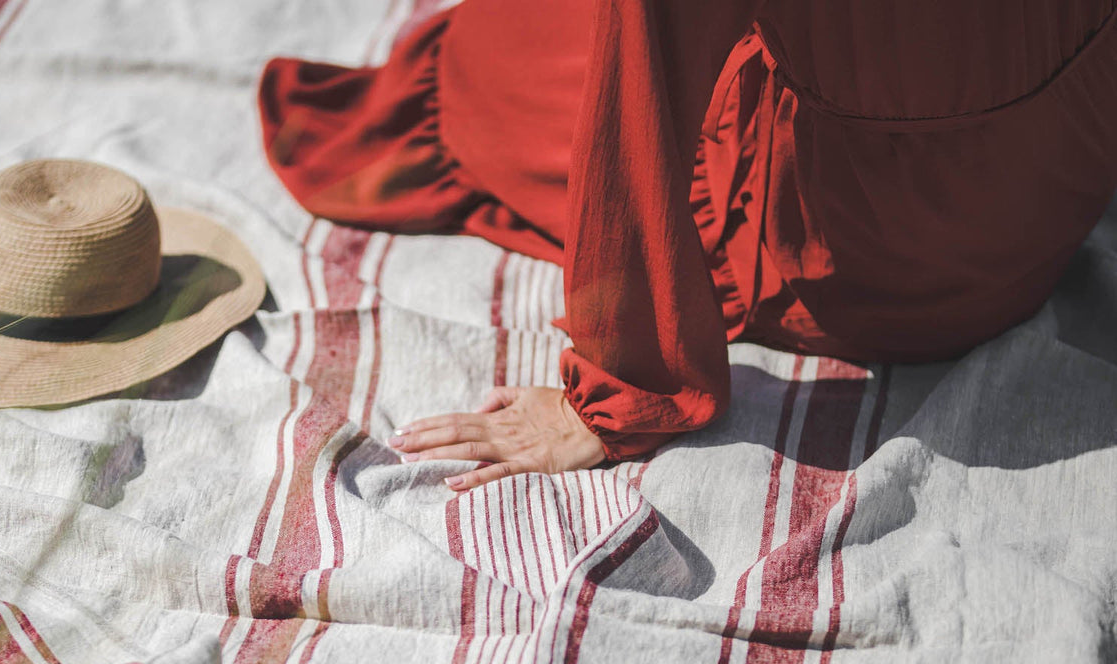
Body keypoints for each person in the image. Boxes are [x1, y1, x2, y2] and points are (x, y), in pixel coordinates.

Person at [259, 0, 1117, 490]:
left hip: (850, 259)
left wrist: (618, 388)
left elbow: (651, 65)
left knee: (481, 64)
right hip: (1043, 205)